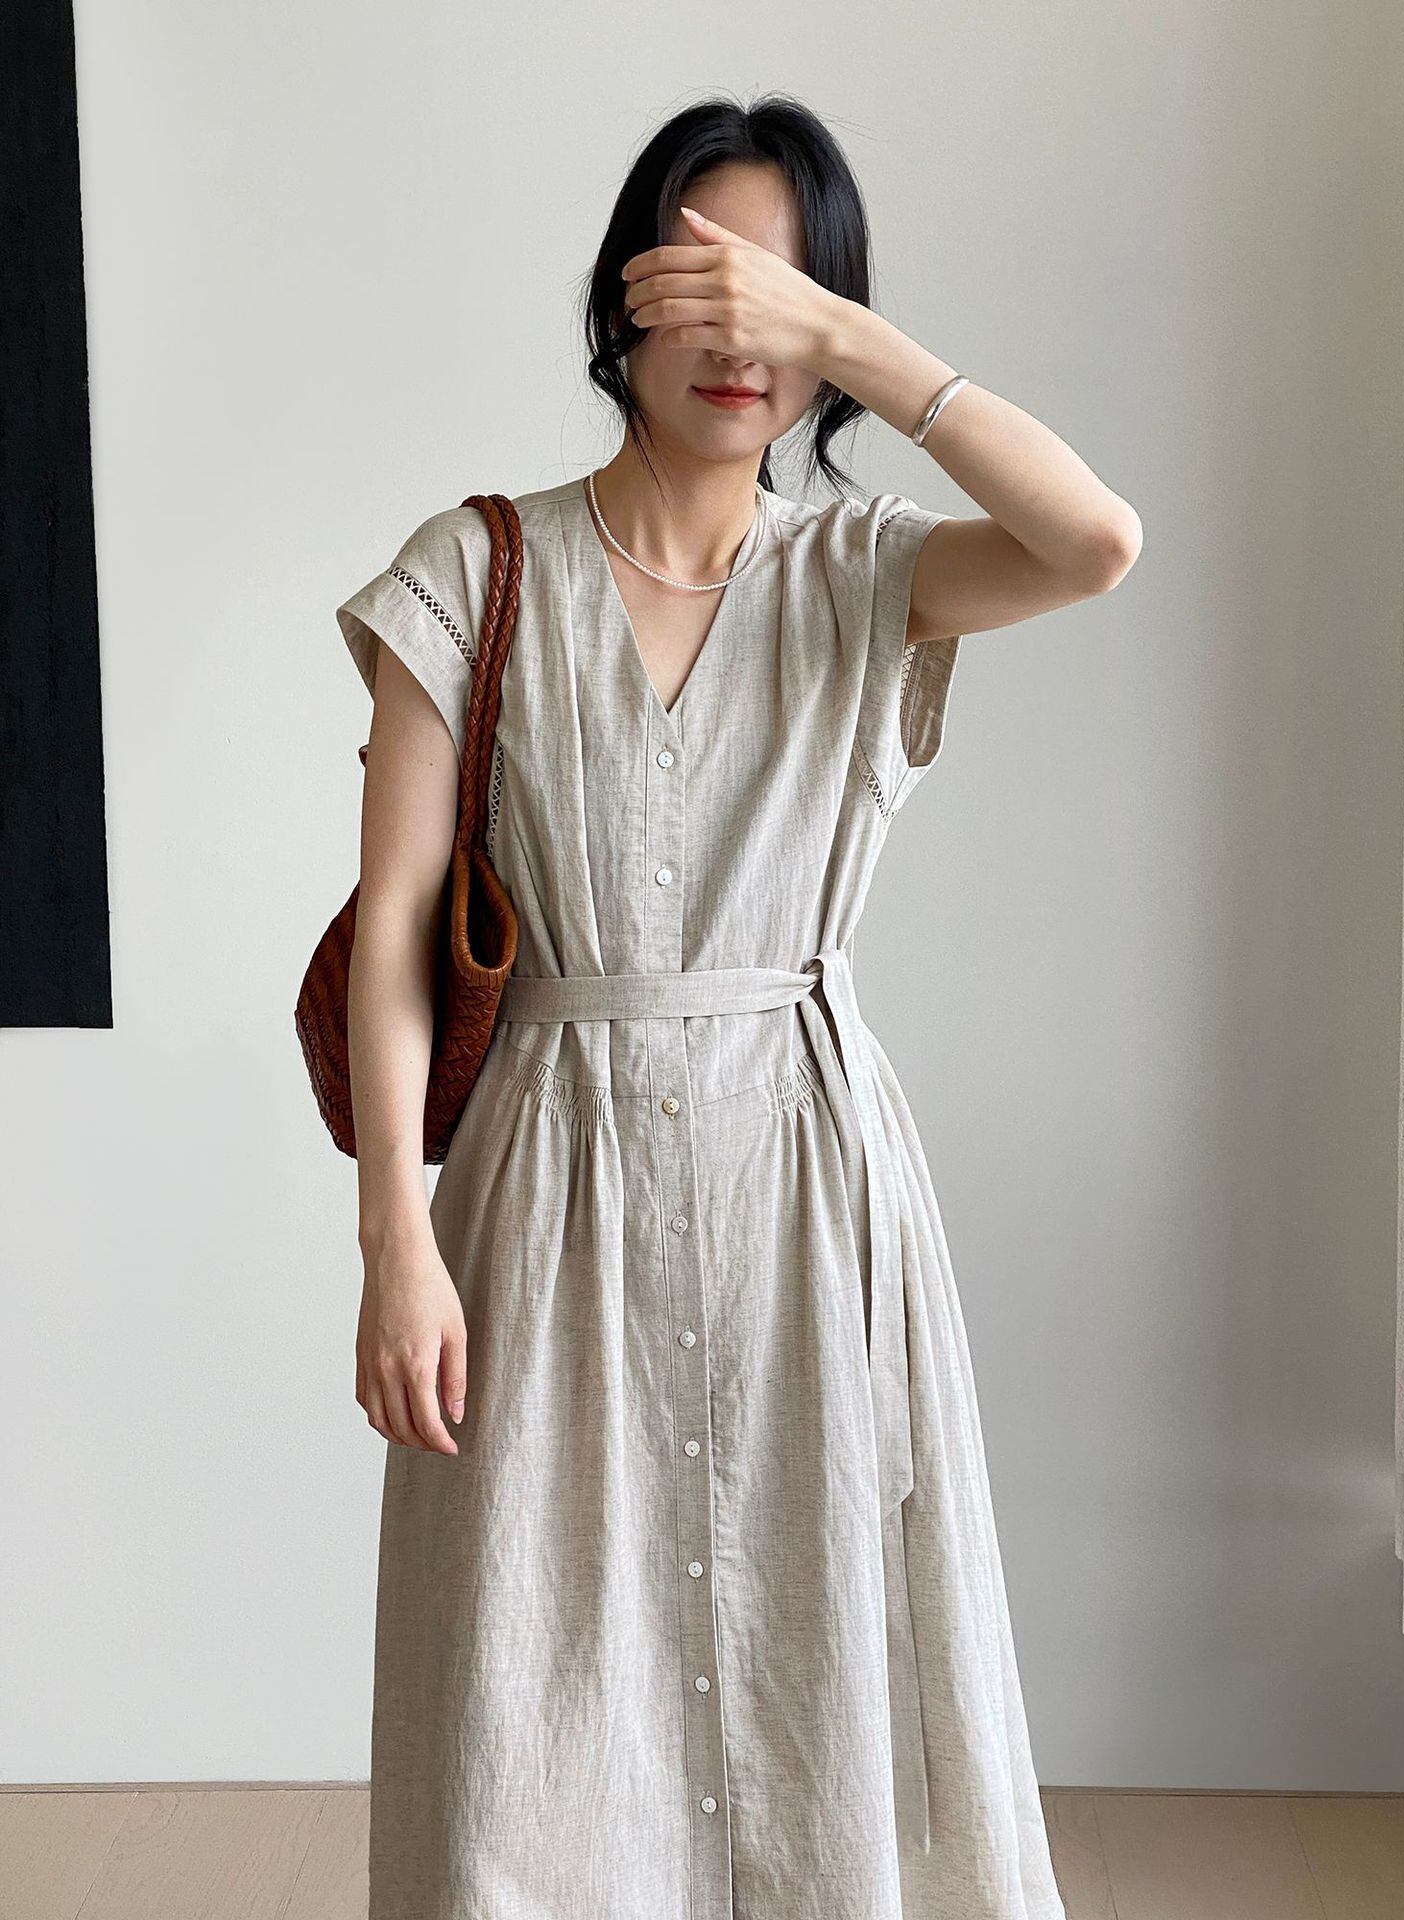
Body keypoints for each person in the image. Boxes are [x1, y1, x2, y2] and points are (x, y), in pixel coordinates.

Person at [334, 91, 1139, 1920]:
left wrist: (851, 340)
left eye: (779, 293)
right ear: (621, 296)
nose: (737, 332)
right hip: (546, 1190)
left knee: (806, 1647)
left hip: (806, 1189)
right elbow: (394, 932)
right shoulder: (472, 571)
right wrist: (395, 1237)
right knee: (534, 1682)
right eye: (700, 279)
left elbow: (1098, 541)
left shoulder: (868, 578)